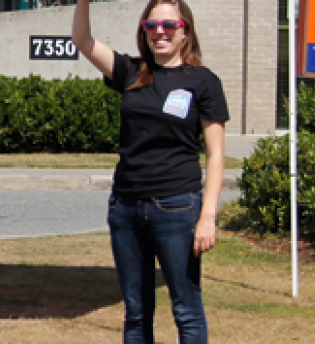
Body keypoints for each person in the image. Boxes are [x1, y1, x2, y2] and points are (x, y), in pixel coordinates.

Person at [73, 0, 227, 342]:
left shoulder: (203, 82)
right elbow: (83, 41)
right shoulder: (132, 71)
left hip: (176, 207)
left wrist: (208, 215)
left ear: (184, 32)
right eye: (151, 25)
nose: (160, 32)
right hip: (125, 207)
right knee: (136, 313)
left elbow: (216, 155)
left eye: (169, 26)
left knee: (186, 310)